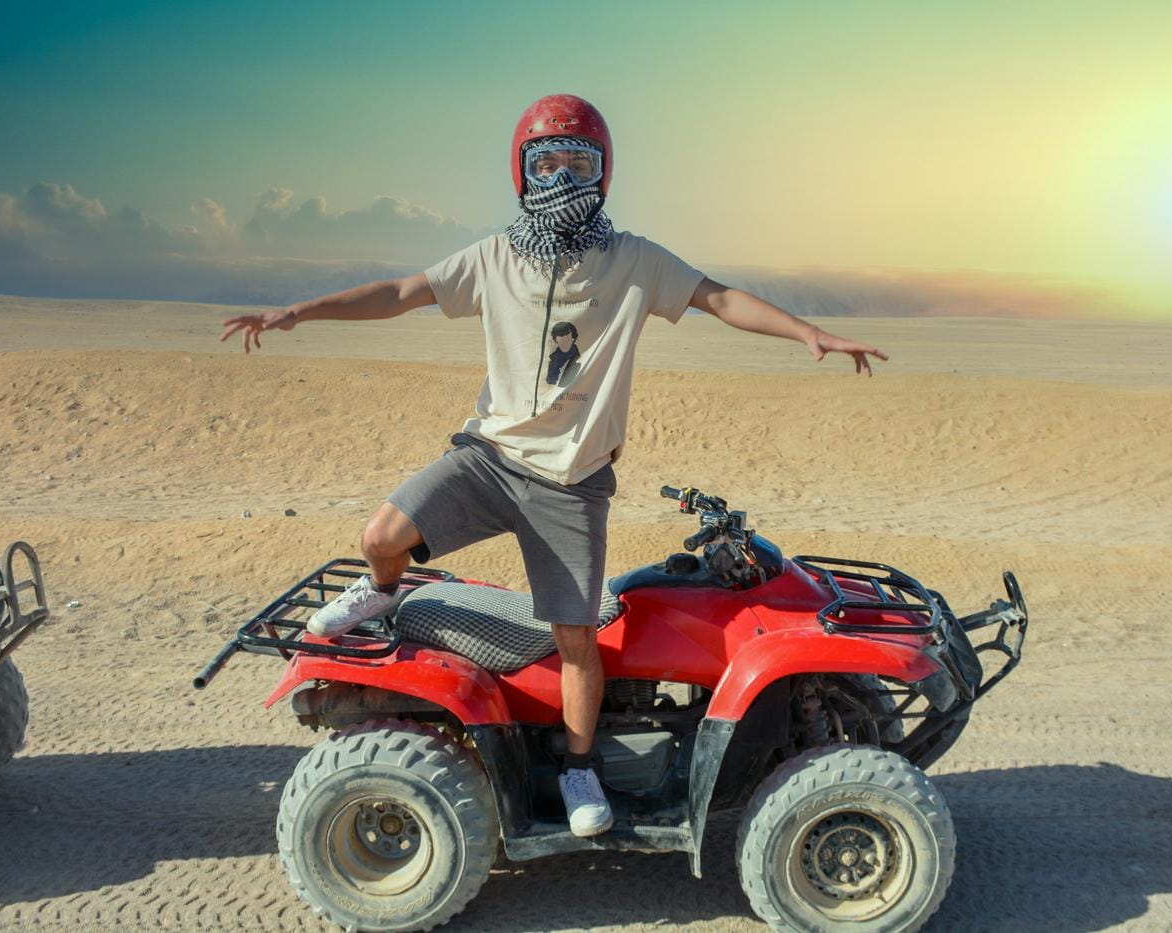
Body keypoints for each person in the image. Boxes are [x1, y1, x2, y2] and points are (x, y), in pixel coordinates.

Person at [219, 94, 887, 838]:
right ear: (522, 172)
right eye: (547, 161)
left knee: (576, 638)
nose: (562, 174)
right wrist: (298, 313)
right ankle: (382, 596)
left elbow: (718, 297)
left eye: (579, 161)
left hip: (571, 482)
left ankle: (576, 767)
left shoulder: (634, 260)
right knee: (381, 536)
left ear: (604, 175)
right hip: (488, 459)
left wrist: (808, 333)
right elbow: (401, 293)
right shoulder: (493, 259)